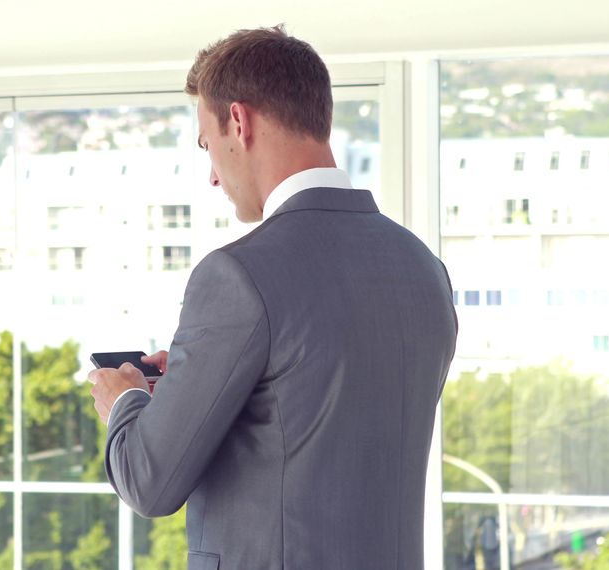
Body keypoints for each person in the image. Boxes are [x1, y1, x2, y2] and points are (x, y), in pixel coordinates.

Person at [88, 25, 457, 569]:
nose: (213, 176)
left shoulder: (236, 275)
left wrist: (126, 401)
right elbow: (319, 424)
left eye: (207, 145)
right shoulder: (424, 269)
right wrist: (201, 380)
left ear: (238, 121)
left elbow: (149, 481)